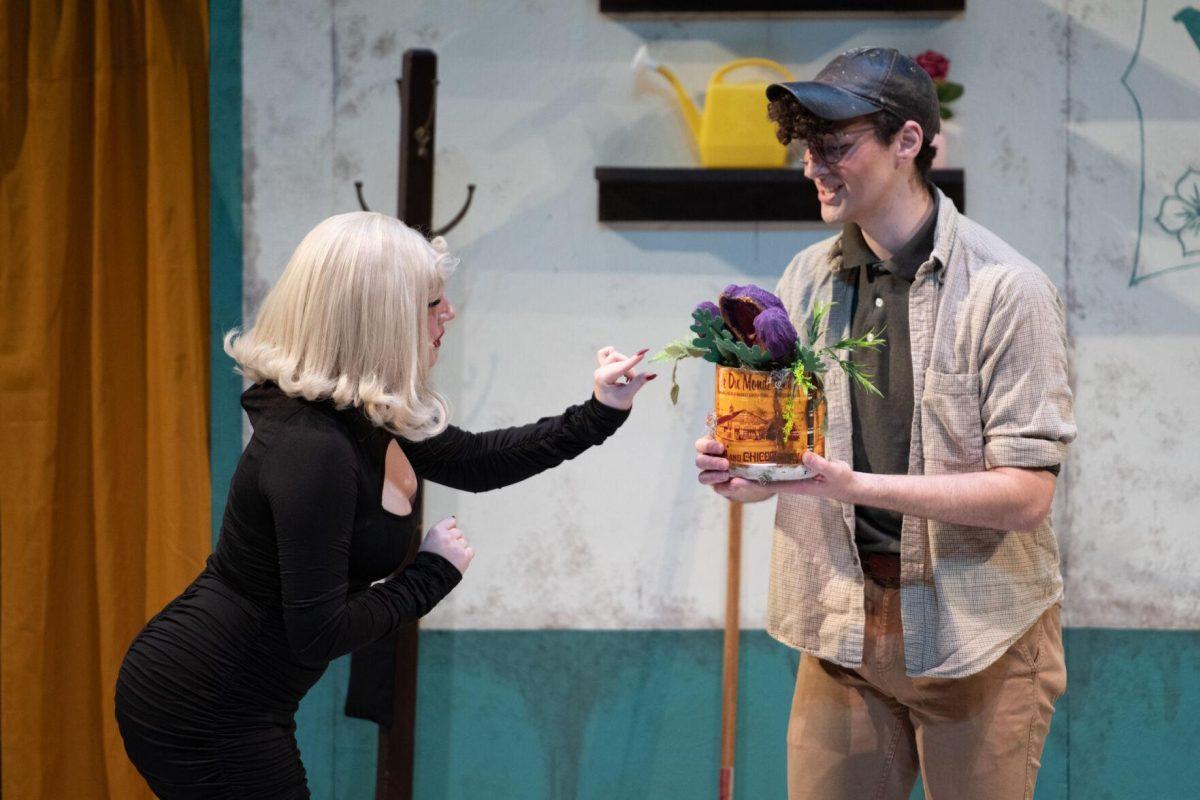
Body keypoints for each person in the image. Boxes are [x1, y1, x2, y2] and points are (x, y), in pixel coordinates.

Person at [115, 212, 654, 798]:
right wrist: (431, 574)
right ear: (380, 318)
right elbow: (317, 632)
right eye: (431, 302)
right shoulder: (312, 446)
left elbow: (477, 462)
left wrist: (601, 409)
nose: (449, 313)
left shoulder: (364, 415)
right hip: (201, 702)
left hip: (240, 693)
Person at [694, 47, 1076, 799]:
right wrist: (745, 477)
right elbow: (790, 456)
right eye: (808, 148)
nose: (813, 167)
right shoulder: (803, 280)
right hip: (839, 628)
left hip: (979, 639)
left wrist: (851, 484)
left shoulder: (1008, 291)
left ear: (909, 143)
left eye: (836, 147)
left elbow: (1027, 494)